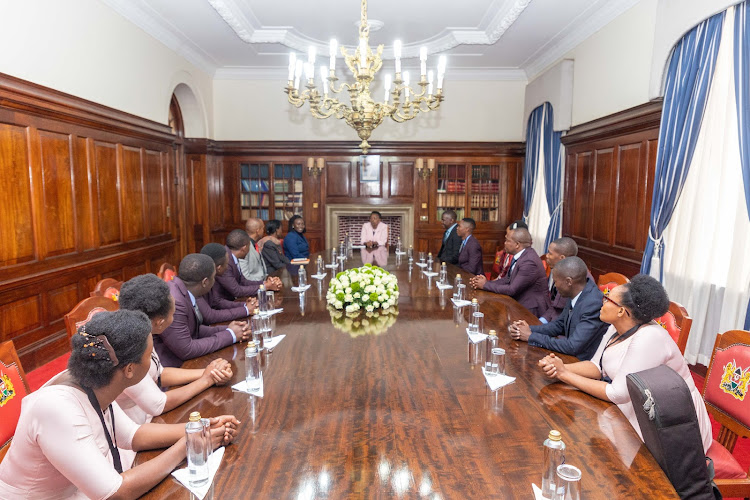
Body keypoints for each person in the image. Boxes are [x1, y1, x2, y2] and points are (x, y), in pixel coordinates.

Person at [0, 310, 240, 499]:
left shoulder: (97, 381)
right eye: (149, 356)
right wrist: (186, 446)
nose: (153, 363)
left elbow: (134, 435)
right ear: (129, 369)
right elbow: (116, 492)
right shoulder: (57, 409)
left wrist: (199, 428)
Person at [538, 274, 712, 452]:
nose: (601, 302)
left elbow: (617, 394)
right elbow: (597, 367)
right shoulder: (616, 327)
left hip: (674, 421)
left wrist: (564, 375)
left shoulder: (649, 337)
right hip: (639, 405)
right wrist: (559, 367)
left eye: (606, 299)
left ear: (621, 311)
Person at [118, 274, 234, 425]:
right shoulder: (127, 348)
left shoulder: (140, 332)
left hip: (150, 421)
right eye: (173, 314)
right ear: (159, 323)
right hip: (135, 432)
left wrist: (211, 371)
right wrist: (207, 380)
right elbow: (159, 405)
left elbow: (160, 374)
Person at [155, 253, 250, 368]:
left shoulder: (182, 289)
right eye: (214, 277)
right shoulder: (176, 302)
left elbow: (193, 330)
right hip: (172, 370)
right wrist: (231, 335)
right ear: (205, 282)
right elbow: (187, 349)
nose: (215, 281)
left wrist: (229, 329)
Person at [508, 257, 609, 360]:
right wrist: (527, 330)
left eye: (556, 282)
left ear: (568, 281)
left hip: (583, 362)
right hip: (570, 356)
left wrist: (531, 336)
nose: (555, 286)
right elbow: (560, 325)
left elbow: (573, 346)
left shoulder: (593, 304)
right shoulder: (576, 290)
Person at [470, 227, 551, 317]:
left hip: (530, 309)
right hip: (519, 301)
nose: (504, 243)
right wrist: (486, 283)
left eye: (507, 241)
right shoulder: (521, 255)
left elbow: (512, 289)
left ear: (517, 244)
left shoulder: (529, 262)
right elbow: (507, 279)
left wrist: (485, 285)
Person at [214, 229, 282, 304]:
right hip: (223, 304)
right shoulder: (225, 260)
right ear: (244, 248)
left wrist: (266, 283)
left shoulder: (232, 256)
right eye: (249, 246)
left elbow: (243, 281)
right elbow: (237, 291)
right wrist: (266, 286)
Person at [200, 242, 257, 323]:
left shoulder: (210, 276)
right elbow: (210, 316)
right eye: (227, 264)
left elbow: (217, 302)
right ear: (219, 268)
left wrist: (244, 305)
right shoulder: (198, 284)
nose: (228, 267)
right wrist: (246, 310)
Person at [539, 236, 589, 323]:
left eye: (550, 253)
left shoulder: (575, 278)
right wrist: (541, 321)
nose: (547, 256)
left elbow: (559, 310)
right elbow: (554, 305)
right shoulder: (562, 271)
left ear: (562, 258)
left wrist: (542, 325)